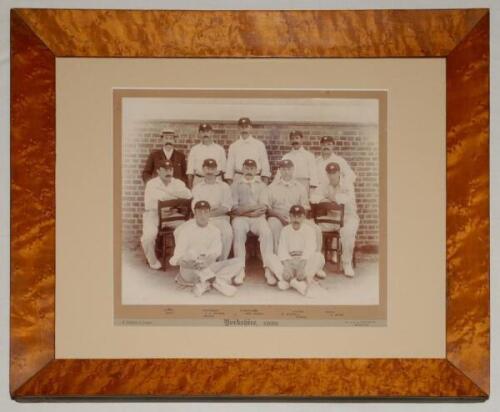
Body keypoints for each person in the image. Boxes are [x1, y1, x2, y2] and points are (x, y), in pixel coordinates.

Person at [169, 201, 245, 297]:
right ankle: (217, 282)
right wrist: (185, 263)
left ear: (209, 214)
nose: (202, 215)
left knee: (239, 262)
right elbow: (175, 258)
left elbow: (216, 252)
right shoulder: (186, 230)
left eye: (205, 212)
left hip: (207, 266)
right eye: (199, 212)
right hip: (190, 270)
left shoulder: (215, 231)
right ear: (195, 214)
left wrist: (207, 260)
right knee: (192, 253)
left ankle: (205, 284)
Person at [141, 160, 192, 270]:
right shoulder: (152, 184)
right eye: (165, 170)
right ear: (158, 171)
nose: (168, 172)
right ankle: (153, 261)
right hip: (153, 214)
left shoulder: (177, 182)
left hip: (172, 213)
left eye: (170, 169)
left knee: (187, 229)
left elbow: (188, 195)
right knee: (148, 237)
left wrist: (168, 196)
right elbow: (153, 202)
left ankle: (181, 258)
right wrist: (175, 197)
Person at [311, 162, 359, 277]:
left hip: (348, 217)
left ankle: (346, 263)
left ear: (339, 173)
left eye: (334, 173)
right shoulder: (325, 184)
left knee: (347, 232)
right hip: (332, 218)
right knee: (313, 228)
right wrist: (327, 200)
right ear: (327, 174)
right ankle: (317, 264)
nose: (332, 176)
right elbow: (313, 198)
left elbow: (344, 200)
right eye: (329, 173)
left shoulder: (347, 184)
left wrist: (329, 198)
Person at [231, 158, 275, 285]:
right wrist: (250, 211)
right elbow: (234, 209)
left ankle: (268, 269)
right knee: (238, 231)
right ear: (242, 169)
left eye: (252, 169)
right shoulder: (235, 185)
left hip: (258, 218)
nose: (249, 171)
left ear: (256, 170)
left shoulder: (262, 185)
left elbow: (263, 207)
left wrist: (247, 210)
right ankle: (239, 269)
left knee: (266, 232)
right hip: (241, 218)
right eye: (246, 168)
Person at [262, 159, 320, 253]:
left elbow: (305, 207)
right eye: (283, 169)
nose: (286, 172)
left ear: (293, 170)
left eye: (289, 169)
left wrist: (295, 218)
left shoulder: (300, 187)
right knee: (273, 226)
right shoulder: (272, 187)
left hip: (297, 217)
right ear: (280, 170)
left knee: (316, 229)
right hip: (277, 217)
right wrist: (280, 217)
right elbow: (268, 209)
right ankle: (278, 257)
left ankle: (314, 258)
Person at [266, 205, 326, 296]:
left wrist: (301, 267)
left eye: (299, 217)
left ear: (304, 217)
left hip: (304, 262)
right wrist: (287, 266)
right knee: (269, 257)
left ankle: (288, 281)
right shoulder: (285, 230)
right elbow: (282, 250)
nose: (296, 220)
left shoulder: (309, 230)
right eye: (293, 216)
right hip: (290, 261)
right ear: (290, 216)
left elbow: (310, 249)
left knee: (319, 256)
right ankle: (297, 283)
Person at [191, 158, 233, 260]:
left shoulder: (224, 186)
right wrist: (213, 209)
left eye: (212, 168)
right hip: (202, 219)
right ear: (202, 170)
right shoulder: (197, 187)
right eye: (207, 168)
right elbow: (195, 208)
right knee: (197, 234)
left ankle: (221, 262)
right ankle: (204, 262)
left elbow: (226, 207)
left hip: (221, 219)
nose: (209, 171)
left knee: (227, 234)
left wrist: (207, 211)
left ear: (217, 170)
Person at [225, 117, 271, 185]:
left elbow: (265, 166)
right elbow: (229, 168)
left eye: (246, 126)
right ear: (238, 128)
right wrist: (231, 185)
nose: (244, 129)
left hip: (255, 179)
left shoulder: (259, 145)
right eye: (242, 127)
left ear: (251, 128)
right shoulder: (233, 146)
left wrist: (264, 184)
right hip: (239, 178)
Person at [186, 123, 227, 188]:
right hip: (199, 180)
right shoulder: (194, 149)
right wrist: (190, 187)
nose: (205, 134)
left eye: (207, 131)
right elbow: (190, 171)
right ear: (199, 134)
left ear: (212, 133)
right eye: (202, 132)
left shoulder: (219, 149)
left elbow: (224, 170)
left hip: (216, 181)